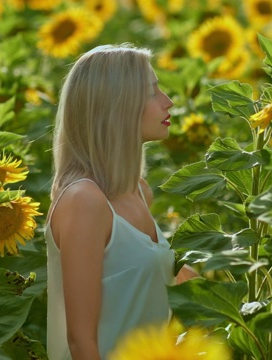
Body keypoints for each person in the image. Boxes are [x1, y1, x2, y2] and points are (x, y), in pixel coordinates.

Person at [46, 44, 195, 360]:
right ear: (118, 106)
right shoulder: (84, 201)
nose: (168, 102)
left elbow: (152, 279)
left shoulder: (138, 191)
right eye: (152, 92)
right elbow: (81, 343)